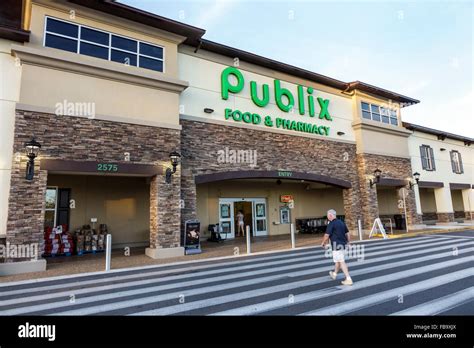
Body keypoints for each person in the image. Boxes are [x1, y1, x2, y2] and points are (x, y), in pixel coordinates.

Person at [320, 209, 353, 285]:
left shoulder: (331, 224)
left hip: (336, 245)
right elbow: (347, 233)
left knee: (341, 261)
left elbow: (327, 235)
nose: (328, 217)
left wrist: (323, 243)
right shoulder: (341, 222)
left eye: (328, 215)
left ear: (331, 215)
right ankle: (334, 274)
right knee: (338, 260)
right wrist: (348, 242)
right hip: (343, 245)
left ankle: (348, 279)